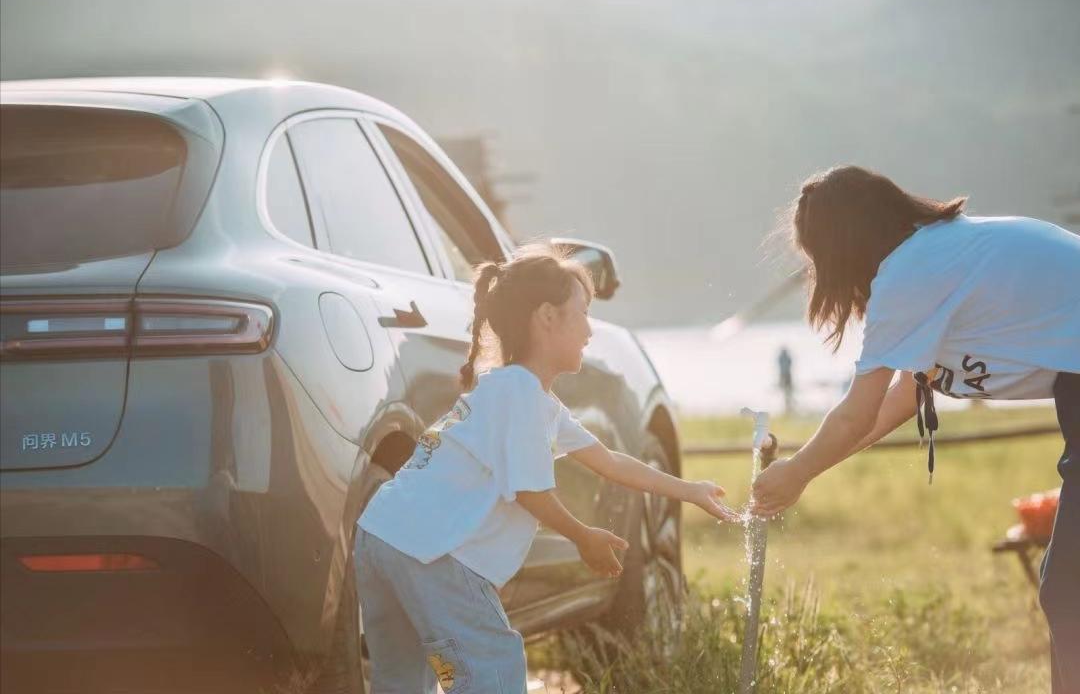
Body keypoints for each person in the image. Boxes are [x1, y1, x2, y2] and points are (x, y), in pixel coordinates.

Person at [751, 165, 1080, 692]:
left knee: (1069, 592)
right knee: (1067, 591)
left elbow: (858, 411)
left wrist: (798, 472)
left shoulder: (912, 272)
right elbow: (904, 394)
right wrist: (804, 469)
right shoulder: (932, 257)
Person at [356, 243, 739, 692]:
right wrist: (585, 538)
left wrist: (689, 489)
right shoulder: (520, 395)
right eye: (582, 312)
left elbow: (610, 461)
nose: (590, 331)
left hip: (382, 536)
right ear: (547, 317)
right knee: (493, 670)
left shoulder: (518, 394)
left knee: (401, 682)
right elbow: (529, 492)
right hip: (434, 554)